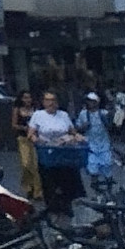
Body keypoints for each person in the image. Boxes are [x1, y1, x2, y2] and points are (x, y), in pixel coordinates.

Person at [26, 89, 83, 219]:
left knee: (67, 179)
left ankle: (66, 204)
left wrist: (77, 137)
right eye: (48, 100)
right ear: (43, 102)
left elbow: (72, 131)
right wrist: (37, 140)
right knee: (49, 181)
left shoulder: (63, 115)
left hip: (64, 153)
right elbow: (31, 133)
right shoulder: (38, 115)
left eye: (53, 100)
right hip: (47, 152)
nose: (51, 103)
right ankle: (53, 207)